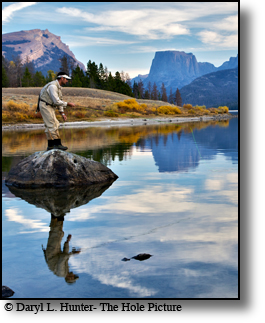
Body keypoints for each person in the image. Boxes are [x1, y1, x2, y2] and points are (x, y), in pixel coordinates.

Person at [38, 71, 75, 151]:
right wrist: (68, 104)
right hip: (46, 105)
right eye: (66, 79)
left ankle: (50, 145)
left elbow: (59, 100)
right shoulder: (53, 87)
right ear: (62, 78)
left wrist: (62, 113)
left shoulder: (58, 87)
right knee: (53, 124)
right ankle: (57, 145)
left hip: (49, 106)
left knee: (50, 125)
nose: (67, 81)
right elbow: (56, 101)